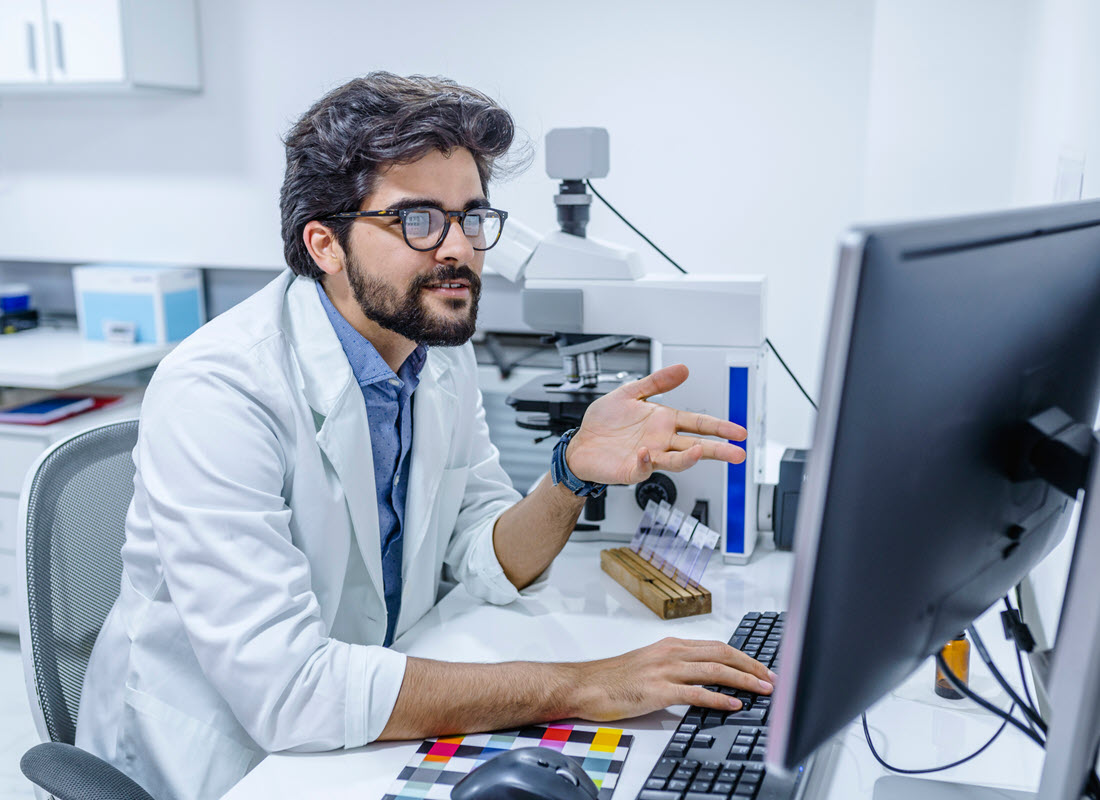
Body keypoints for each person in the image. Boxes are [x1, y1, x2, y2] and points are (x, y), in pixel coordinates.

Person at [75, 72, 775, 800]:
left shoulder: (434, 351)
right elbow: (289, 690)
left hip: (368, 717)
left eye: (472, 218)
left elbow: (479, 557)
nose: (459, 249)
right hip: (232, 764)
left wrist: (572, 475)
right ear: (325, 243)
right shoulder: (220, 391)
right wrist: (584, 685)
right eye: (418, 220)